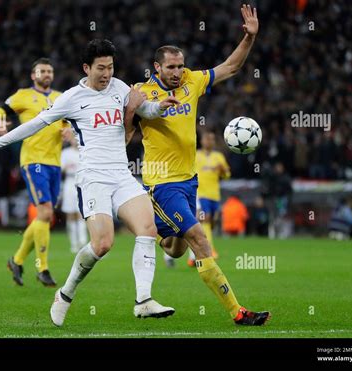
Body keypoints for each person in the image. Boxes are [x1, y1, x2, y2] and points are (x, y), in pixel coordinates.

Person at [0, 39, 181, 325]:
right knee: (103, 244)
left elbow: (146, 110)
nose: (107, 74)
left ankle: (143, 300)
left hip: (122, 175)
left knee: (147, 228)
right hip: (93, 179)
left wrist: (160, 107)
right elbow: (35, 124)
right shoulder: (71, 98)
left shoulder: (120, 88)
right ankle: (66, 293)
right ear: (86, 68)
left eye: (111, 67)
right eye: (101, 68)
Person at [128, 4, 270, 325]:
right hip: (162, 184)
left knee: (176, 249)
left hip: (188, 180)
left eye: (181, 66)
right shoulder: (141, 93)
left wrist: (249, 38)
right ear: (156, 68)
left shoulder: (192, 81)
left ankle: (155, 234)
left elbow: (231, 68)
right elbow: (127, 126)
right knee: (199, 238)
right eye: (171, 67)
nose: (178, 72)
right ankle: (238, 312)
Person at [0, 58, 71, 287]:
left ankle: (17, 260)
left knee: (45, 216)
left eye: (50, 71)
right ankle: (42, 268)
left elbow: (68, 124)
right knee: (44, 213)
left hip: (55, 162)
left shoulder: (61, 97)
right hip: (33, 161)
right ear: (33, 75)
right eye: (42, 71)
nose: (47, 74)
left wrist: (68, 130)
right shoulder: (22, 95)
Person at [186, 130, 230, 267]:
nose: (209, 141)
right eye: (207, 139)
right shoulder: (196, 155)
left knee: (213, 222)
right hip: (201, 193)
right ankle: (209, 250)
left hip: (215, 194)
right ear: (202, 141)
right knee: (206, 218)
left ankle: (195, 252)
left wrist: (223, 170)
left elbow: (227, 175)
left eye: (211, 139)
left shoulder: (219, 157)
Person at [60, 131, 87, 253]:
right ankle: (74, 243)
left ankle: (83, 242)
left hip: (82, 183)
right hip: (70, 183)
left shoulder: (85, 152)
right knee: (70, 214)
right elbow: (61, 169)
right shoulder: (65, 153)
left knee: (81, 213)